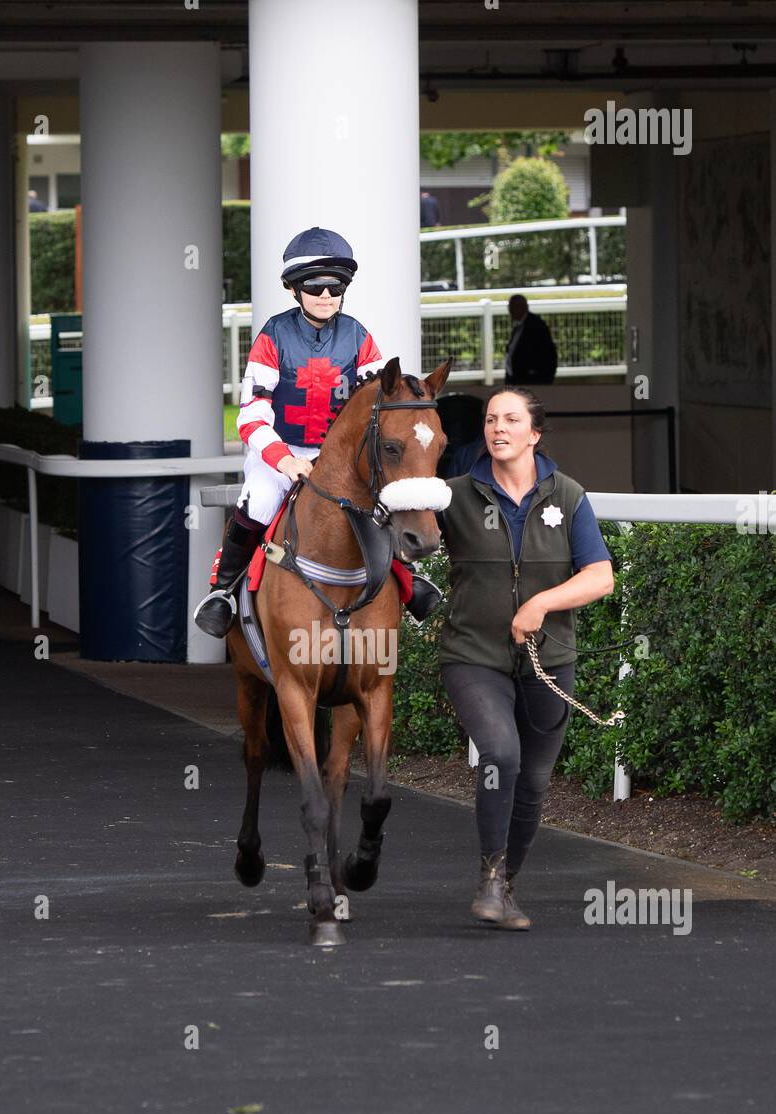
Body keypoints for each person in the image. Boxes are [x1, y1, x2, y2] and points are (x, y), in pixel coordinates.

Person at [194, 226, 442, 637]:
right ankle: (222, 590)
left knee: (379, 497)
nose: (326, 295)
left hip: (336, 452)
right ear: (294, 289)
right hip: (281, 447)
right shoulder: (272, 336)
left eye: (336, 286)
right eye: (315, 286)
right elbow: (251, 414)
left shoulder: (359, 336)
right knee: (258, 499)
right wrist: (285, 460)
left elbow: (375, 404)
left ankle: (406, 577)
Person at [436, 387, 614, 930]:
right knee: (501, 755)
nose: (498, 428)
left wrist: (541, 603)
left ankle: (507, 885)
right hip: (473, 655)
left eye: (512, 419)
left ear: (534, 433)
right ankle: (490, 878)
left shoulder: (569, 496)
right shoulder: (453, 496)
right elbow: (401, 537)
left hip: (549, 659)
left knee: (534, 780)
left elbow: (599, 576)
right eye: (491, 420)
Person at [504, 294, 557, 386]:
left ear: (523, 307)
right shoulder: (521, 325)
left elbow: (547, 353)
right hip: (519, 378)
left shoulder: (536, 325)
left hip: (531, 380)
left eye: (512, 307)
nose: (510, 311)